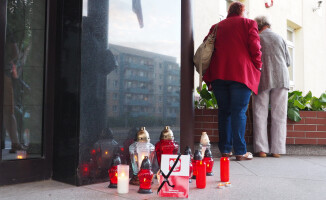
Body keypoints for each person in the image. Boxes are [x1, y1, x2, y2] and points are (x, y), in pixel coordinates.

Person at [202, 2, 262, 161]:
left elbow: (207, 50)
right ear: (242, 11)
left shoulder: (216, 26)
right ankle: (241, 151)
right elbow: (255, 48)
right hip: (241, 74)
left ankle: (225, 150)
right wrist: (257, 67)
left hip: (219, 74)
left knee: (224, 111)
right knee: (239, 112)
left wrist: (207, 77)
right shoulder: (249, 23)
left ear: (229, 12)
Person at [252, 16, 290, 158]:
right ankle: (277, 150)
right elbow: (288, 61)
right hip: (281, 78)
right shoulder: (280, 38)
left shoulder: (257, 38)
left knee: (260, 113)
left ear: (258, 26)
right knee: (279, 114)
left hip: (263, 78)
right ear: (268, 25)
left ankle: (261, 149)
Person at [3, 33, 26, 153]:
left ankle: (15, 142)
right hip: (5, 76)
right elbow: (16, 52)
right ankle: (15, 142)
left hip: (5, 75)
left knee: (8, 112)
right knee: (8, 112)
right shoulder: (8, 31)